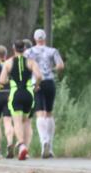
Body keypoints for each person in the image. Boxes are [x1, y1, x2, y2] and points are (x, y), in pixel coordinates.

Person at [0, 39, 44, 160]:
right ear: (24, 49)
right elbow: (39, 76)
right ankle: (26, 150)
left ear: (13, 49)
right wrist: (36, 85)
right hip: (29, 94)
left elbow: (1, 80)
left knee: (17, 121)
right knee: (27, 122)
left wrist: (9, 80)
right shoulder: (31, 62)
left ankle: (22, 145)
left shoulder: (8, 63)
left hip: (16, 94)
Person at [25, 28, 66, 158]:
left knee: (39, 113)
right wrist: (51, 69)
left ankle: (44, 141)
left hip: (36, 82)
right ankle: (50, 145)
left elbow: (24, 67)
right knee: (49, 112)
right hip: (49, 81)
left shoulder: (29, 52)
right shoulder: (52, 51)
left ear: (35, 39)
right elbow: (61, 66)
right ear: (45, 38)